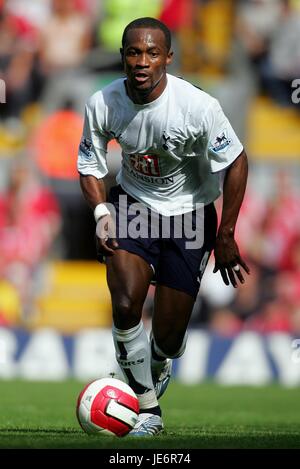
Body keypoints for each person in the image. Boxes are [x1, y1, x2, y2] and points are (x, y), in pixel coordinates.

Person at [77, 17, 250, 436]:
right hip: (134, 206)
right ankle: (148, 410)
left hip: (191, 215)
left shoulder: (198, 107)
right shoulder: (102, 103)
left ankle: (158, 362)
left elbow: (237, 162)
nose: (142, 61)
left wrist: (225, 234)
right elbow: (90, 164)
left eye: (152, 53)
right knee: (124, 304)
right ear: (122, 57)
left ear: (168, 58)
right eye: (134, 52)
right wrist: (102, 215)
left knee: (169, 338)